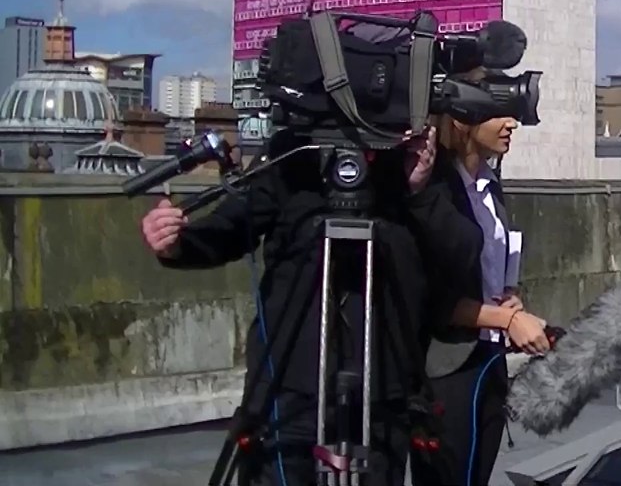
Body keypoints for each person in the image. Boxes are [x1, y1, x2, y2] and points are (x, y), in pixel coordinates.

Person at [140, 125, 458, 486]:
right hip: (289, 386)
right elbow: (233, 224)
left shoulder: (420, 161)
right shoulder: (292, 153)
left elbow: (461, 254)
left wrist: (418, 191)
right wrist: (178, 243)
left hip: (384, 387)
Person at [414, 103, 552, 486]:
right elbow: (434, 302)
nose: (512, 123)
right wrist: (508, 320)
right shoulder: (433, 189)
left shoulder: (491, 185)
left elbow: (491, 271)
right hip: (447, 368)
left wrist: (509, 299)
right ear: (462, 119)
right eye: (500, 113)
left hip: (490, 359)